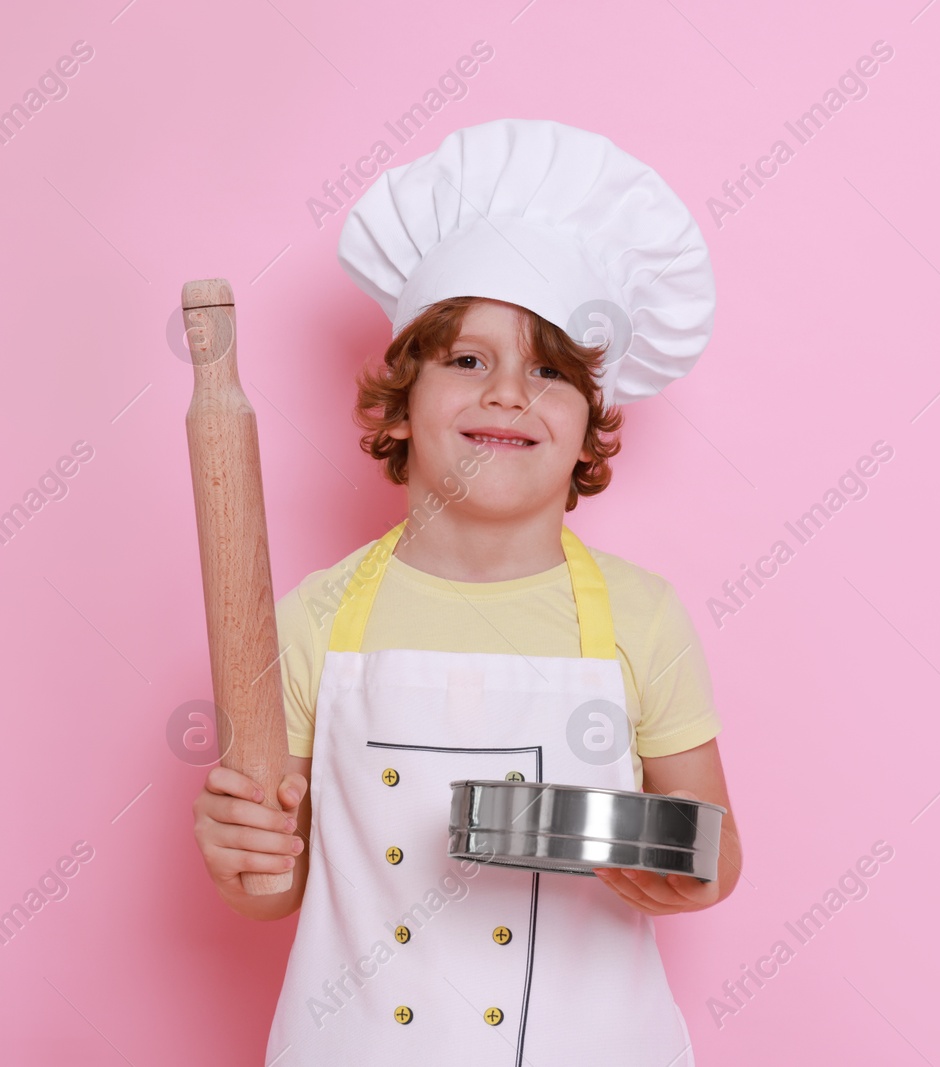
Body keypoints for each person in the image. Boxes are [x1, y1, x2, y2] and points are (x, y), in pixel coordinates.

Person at [190, 118, 740, 1065]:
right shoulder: (315, 620)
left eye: (550, 371)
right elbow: (271, 888)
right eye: (468, 359)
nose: (508, 394)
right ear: (402, 405)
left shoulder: (641, 615)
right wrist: (242, 849)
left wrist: (671, 866)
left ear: (588, 429)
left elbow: (715, 852)